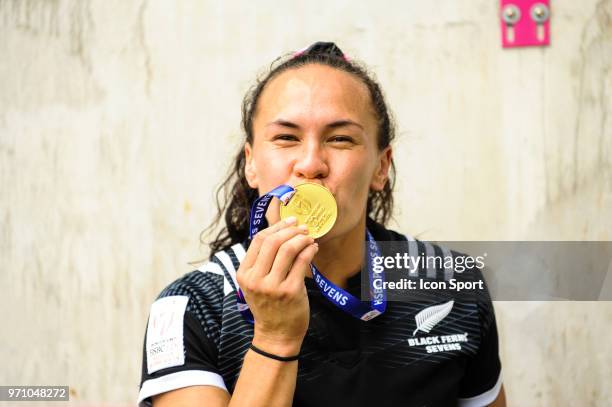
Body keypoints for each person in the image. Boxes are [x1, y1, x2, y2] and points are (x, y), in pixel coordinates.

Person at [137, 42, 506, 407]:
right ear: (251, 163)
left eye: (340, 139)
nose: (311, 164)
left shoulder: (453, 286)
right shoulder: (192, 306)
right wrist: (275, 337)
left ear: (381, 166)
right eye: (286, 137)